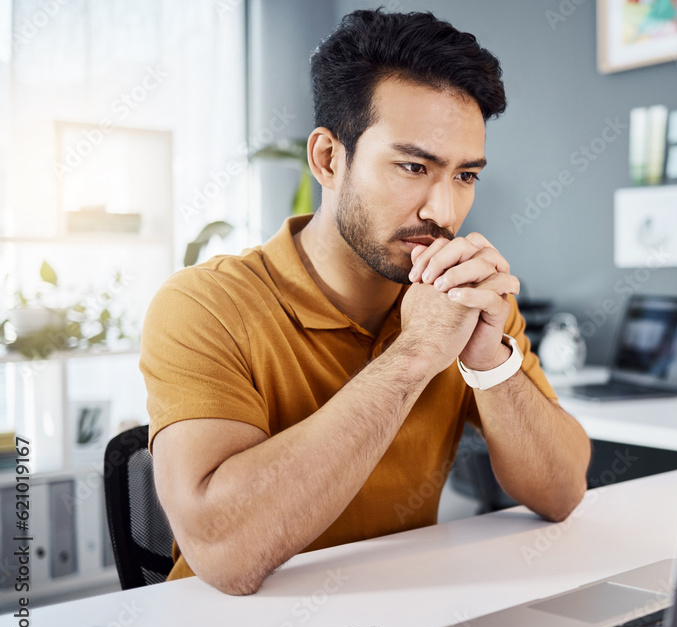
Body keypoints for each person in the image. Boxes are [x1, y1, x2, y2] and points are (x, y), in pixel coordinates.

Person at [139, 8, 591, 596]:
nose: (444, 212)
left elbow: (560, 494)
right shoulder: (204, 305)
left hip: (397, 622)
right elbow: (225, 556)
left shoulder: (464, 297)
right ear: (329, 159)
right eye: (413, 166)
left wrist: (488, 361)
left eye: (465, 176)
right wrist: (414, 356)